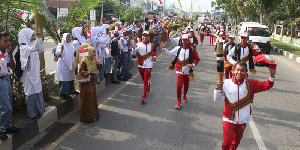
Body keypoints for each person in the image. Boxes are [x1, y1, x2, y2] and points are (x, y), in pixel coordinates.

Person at [214, 61, 276, 150]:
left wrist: (272, 75)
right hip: (229, 118)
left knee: (236, 142)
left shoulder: (250, 84)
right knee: (227, 142)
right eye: (238, 70)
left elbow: (266, 85)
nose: (239, 72)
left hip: (242, 120)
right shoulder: (226, 83)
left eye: (242, 70)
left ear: (246, 72)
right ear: (233, 71)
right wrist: (218, 89)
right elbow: (216, 99)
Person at [161, 34, 200, 109]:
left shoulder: (192, 49)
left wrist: (193, 64)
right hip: (178, 70)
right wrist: (164, 48)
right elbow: (169, 53)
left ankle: (184, 95)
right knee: (179, 86)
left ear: (188, 41)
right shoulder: (178, 48)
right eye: (183, 40)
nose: (184, 41)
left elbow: (197, 59)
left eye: (186, 40)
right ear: (181, 40)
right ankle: (179, 101)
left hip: (187, 71)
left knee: (186, 85)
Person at [19, 28, 45, 119]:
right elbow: (34, 48)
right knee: (30, 93)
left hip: (35, 74)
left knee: (37, 91)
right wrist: (37, 37)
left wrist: (38, 37)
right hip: (29, 75)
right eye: (31, 35)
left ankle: (39, 110)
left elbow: (41, 48)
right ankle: (32, 113)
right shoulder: (23, 48)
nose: (32, 37)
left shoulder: (31, 45)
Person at [0, 31, 20, 141]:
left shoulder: (7, 52)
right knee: (5, 107)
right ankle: (1, 129)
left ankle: (7, 126)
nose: (8, 43)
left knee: (9, 104)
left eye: (9, 40)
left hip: (6, 79)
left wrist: (11, 56)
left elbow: (12, 66)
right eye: (5, 41)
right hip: (0, 81)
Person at [75, 44, 101, 122]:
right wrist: (86, 72)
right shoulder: (84, 60)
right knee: (87, 99)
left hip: (91, 82)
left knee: (92, 98)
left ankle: (94, 115)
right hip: (85, 83)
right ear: (89, 52)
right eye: (93, 52)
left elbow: (98, 70)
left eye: (95, 52)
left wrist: (98, 63)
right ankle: (87, 118)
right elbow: (80, 71)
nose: (94, 54)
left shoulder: (93, 60)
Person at [132, 31, 157, 103]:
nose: (145, 37)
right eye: (143, 35)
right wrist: (133, 48)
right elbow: (133, 54)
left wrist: (154, 57)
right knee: (144, 79)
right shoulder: (138, 45)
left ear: (149, 37)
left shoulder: (152, 45)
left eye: (146, 36)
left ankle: (144, 96)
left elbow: (154, 52)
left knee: (146, 80)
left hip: (148, 65)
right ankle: (148, 85)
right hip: (140, 65)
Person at [55, 33, 78, 100]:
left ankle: (72, 91)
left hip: (70, 64)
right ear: (64, 39)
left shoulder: (71, 45)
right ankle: (64, 94)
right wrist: (61, 49)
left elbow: (73, 54)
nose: (69, 39)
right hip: (63, 66)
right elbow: (57, 53)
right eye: (67, 38)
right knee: (64, 80)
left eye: (69, 38)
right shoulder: (60, 45)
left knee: (71, 78)